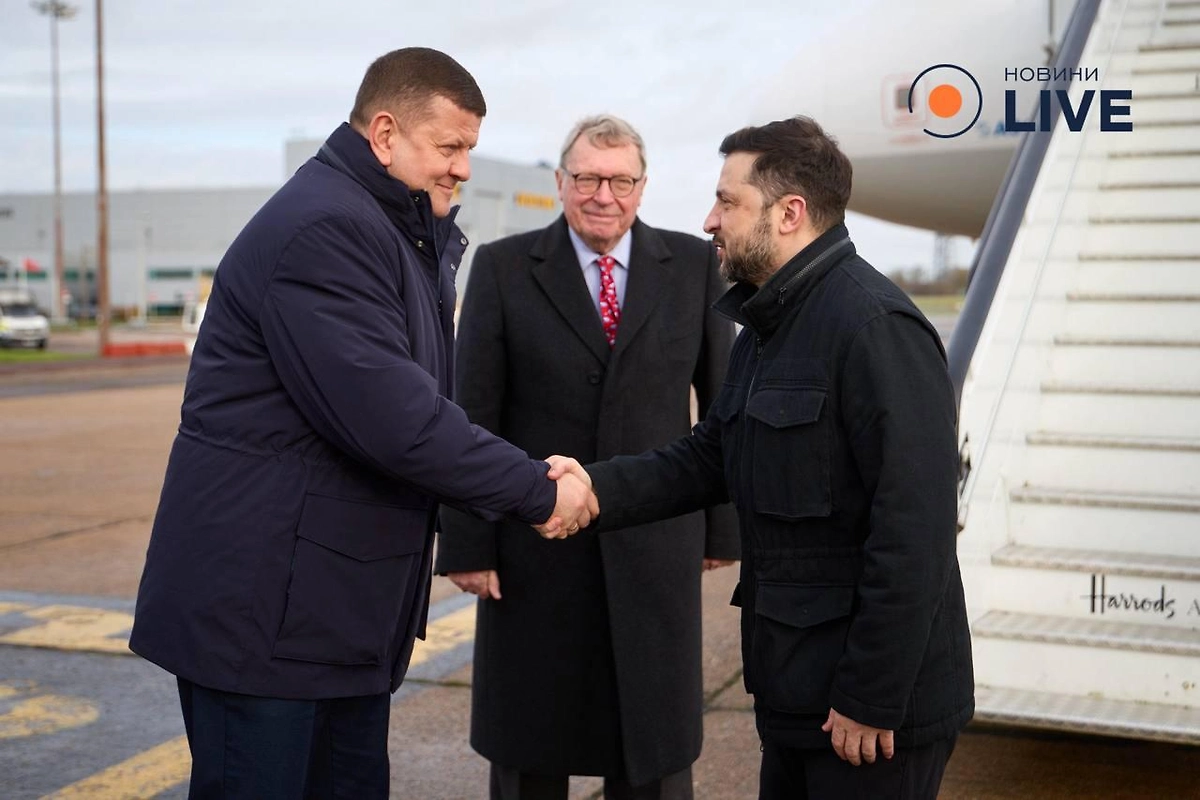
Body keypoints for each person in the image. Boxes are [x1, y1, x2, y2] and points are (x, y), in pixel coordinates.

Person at [129, 48, 593, 799]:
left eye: (469, 148)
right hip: (267, 622)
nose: (464, 168)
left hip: (327, 616)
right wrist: (538, 491)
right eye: (450, 147)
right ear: (384, 134)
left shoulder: (392, 231)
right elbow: (397, 420)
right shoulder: (325, 231)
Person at [548, 116, 974, 800]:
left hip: (868, 715)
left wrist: (871, 693)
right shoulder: (769, 326)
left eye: (727, 201)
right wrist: (593, 488)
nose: (709, 220)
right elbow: (707, 457)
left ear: (789, 213)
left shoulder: (874, 328)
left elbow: (915, 533)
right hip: (797, 690)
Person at [435, 114, 739, 800]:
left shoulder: (695, 267)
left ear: (642, 185)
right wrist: (468, 542)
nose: (604, 194)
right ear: (560, 182)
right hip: (531, 548)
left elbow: (723, 407)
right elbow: (471, 415)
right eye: (587, 178)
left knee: (652, 751)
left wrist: (721, 527)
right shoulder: (505, 267)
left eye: (621, 180)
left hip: (653, 543)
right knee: (529, 747)